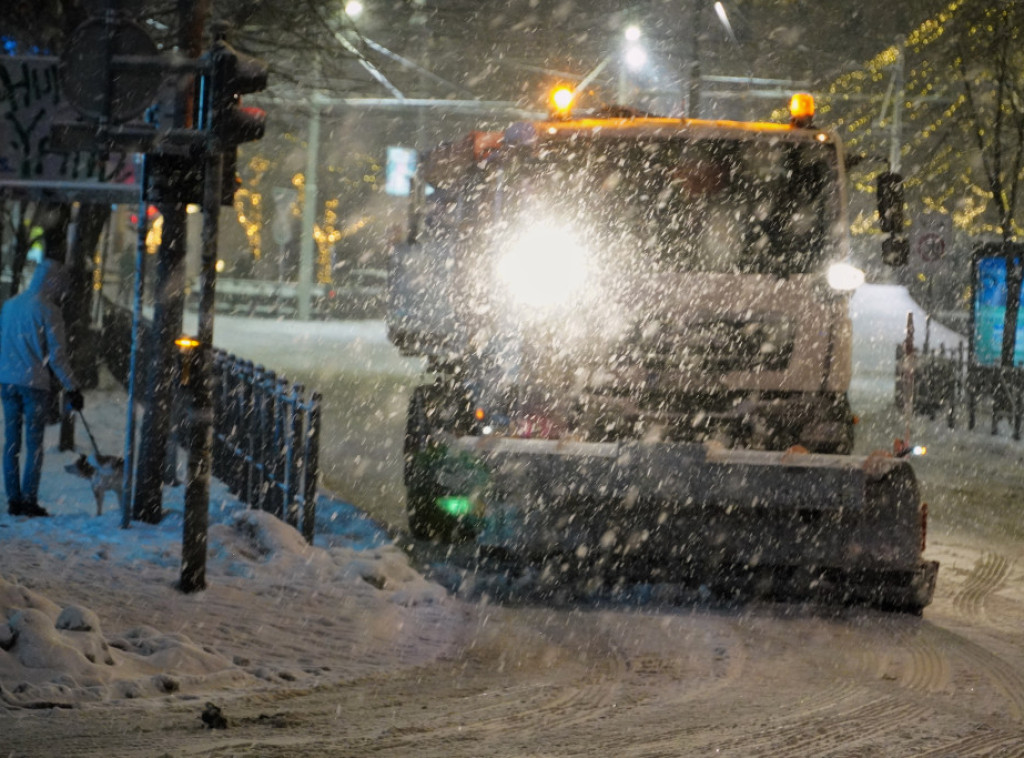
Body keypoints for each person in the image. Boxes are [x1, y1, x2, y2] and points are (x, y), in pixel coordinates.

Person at [0, 258, 84, 517]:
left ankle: (13, 499)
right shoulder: (49, 311)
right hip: (34, 383)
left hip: (7, 381)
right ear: (53, 283)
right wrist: (73, 387)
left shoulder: (11, 305)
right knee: (34, 444)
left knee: (11, 442)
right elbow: (57, 357)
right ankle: (29, 499)